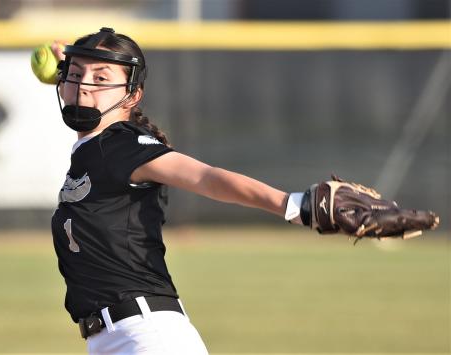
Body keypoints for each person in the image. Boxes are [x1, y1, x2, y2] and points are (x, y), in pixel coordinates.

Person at [44, 28, 439, 354]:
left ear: (132, 95)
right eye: (77, 75)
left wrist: (294, 205)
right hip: (112, 340)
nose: (84, 87)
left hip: (147, 339)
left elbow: (206, 177)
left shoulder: (122, 146)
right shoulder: (93, 150)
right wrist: (71, 63)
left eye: (101, 78)